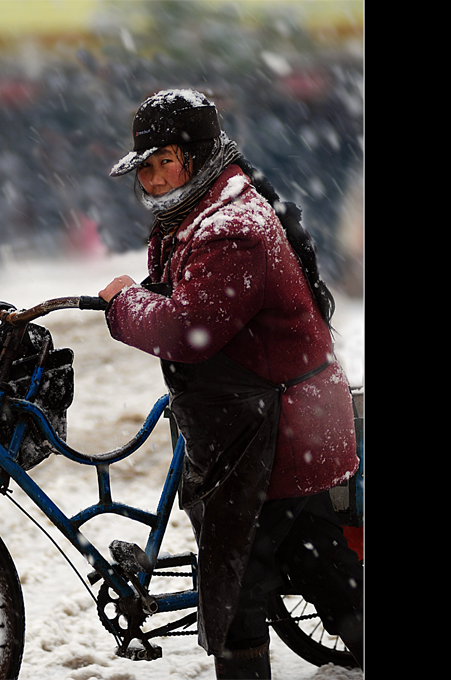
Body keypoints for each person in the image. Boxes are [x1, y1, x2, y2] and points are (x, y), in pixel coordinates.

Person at [98, 89, 363, 678]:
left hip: (275, 435)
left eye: (162, 159)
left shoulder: (230, 226)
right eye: (144, 163)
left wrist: (123, 305)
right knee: (320, 566)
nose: (151, 175)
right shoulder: (205, 208)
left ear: (196, 157)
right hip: (280, 427)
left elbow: (190, 330)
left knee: (237, 584)